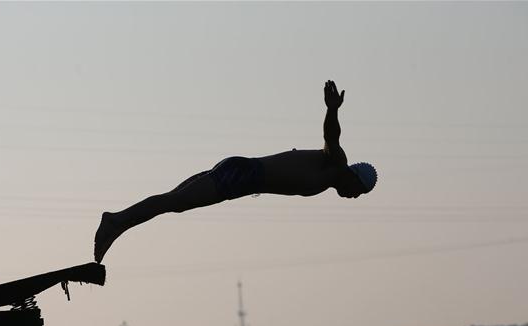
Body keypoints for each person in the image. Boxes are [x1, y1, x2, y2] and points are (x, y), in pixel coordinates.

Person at [93, 80, 378, 263]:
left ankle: (118, 225)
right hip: (242, 175)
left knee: (173, 201)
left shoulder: (329, 178)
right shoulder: (336, 163)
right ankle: (115, 221)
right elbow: (332, 136)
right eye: (358, 192)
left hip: (241, 174)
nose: (353, 197)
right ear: (354, 178)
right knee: (174, 203)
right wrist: (332, 110)